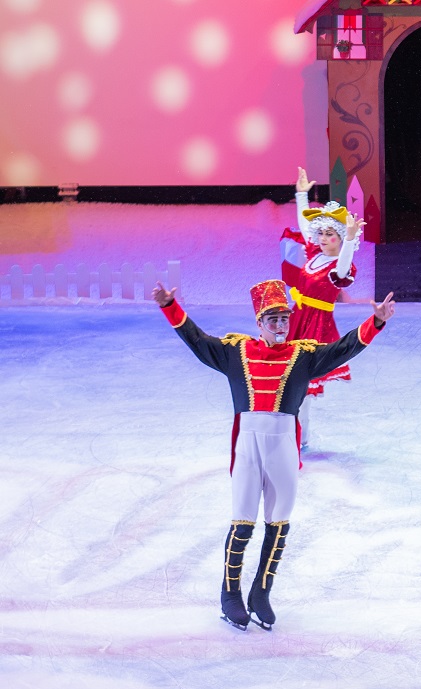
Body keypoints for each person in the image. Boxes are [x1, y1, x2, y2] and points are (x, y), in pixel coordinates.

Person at [152, 278, 396, 630]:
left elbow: (342, 349)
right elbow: (198, 341)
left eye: (284, 319)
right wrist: (169, 306)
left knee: (278, 522)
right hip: (248, 445)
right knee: (243, 519)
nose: (280, 326)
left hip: (283, 444)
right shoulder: (236, 352)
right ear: (260, 324)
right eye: (273, 320)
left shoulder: (304, 356)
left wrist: (377, 322)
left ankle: (261, 593)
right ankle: (230, 594)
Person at [280, 167, 365, 449]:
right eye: (323, 233)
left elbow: (343, 265)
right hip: (296, 319)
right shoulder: (314, 254)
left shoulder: (340, 265)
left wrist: (351, 239)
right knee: (287, 380)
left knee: (301, 385)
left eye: (332, 234)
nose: (324, 238)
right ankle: (289, 430)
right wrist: (301, 195)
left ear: (340, 238)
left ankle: (299, 439)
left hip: (315, 327)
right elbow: (306, 227)